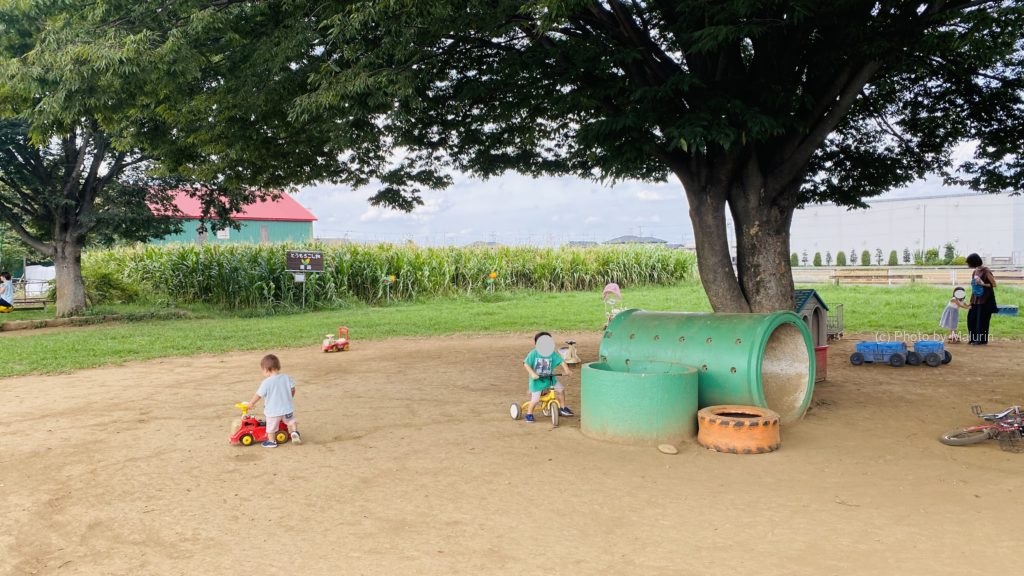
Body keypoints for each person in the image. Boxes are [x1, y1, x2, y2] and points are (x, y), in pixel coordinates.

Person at [247, 354, 301, 447]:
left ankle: (271, 441)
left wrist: (251, 402)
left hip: (273, 411)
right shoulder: (286, 378)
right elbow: (292, 389)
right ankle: (295, 431)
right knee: (292, 420)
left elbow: (258, 395)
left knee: (271, 427)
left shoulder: (266, 382)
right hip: (287, 408)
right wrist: (290, 396)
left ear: (265, 369)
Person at [523, 332, 574, 422]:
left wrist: (566, 370)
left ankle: (562, 407)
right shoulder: (534, 353)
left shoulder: (552, 353)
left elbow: (561, 361)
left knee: (561, 390)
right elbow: (526, 364)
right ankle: (529, 413)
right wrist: (532, 373)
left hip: (549, 379)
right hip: (537, 381)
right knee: (535, 399)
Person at [966, 253, 997, 345]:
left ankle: (981, 340)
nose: (968, 265)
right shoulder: (975, 272)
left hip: (985, 300)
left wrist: (982, 284)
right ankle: (973, 338)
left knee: (982, 320)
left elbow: (994, 284)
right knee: (972, 319)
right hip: (975, 299)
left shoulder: (986, 271)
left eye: (969, 263)